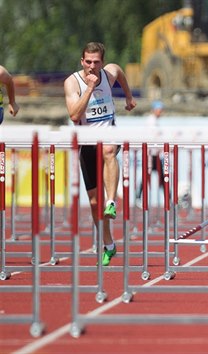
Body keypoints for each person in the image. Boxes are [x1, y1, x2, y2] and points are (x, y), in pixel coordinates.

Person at [64, 42, 136, 266]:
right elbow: (75, 116)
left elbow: (120, 73)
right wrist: (89, 88)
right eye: (88, 62)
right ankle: (109, 244)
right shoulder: (72, 82)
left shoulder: (110, 72)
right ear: (82, 61)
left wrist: (128, 97)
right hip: (86, 142)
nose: (92, 67)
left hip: (108, 134)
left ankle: (112, 200)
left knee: (108, 151)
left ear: (102, 63)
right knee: (94, 202)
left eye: (96, 62)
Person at [136, 100, 164, 205]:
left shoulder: (154, 121)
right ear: (154, 110)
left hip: (154, 154)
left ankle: (169, 197)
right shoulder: (151, 121)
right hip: (150, 154)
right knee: (147, 176)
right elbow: (153, 137)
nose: (161, 112)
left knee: (161, 176)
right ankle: (138, 197)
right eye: (159, 110)